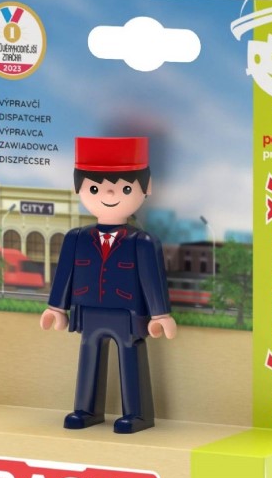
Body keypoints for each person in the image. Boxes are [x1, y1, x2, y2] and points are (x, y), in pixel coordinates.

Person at [40, 136, 176, 434]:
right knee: (88, 355)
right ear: (78, 188)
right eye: (94, 188)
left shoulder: (142, 242)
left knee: (130, 356)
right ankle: (86, 409)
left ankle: (137, 414)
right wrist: (56, 308)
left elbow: (152, 279)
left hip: (127, 314)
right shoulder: (76, 238)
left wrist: (160, 315)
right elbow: (64, 275)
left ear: (147, 187)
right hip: (88, 311)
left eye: (126, 188)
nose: (109, 194)